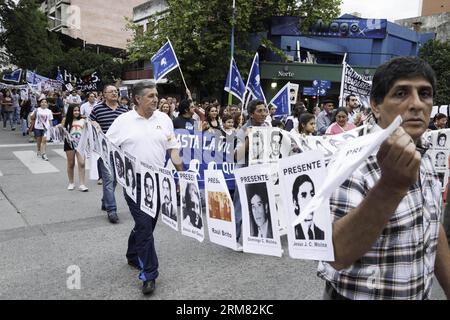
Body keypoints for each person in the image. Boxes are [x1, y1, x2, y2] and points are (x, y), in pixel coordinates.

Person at [318, 56, 450, 300]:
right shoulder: (350, 161)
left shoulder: (426, 153)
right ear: (376, 105)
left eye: (425, 94)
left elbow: (433, 224)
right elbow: (335, 254)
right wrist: (390, 187)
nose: (417, 104)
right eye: (401, 93)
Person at [106, 80, 182, 295]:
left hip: (159, 181)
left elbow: (173, 148)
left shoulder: (164, 119)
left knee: (146, 225)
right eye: (150, 96)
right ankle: (149, 274)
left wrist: (181, 173)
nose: (155, 99)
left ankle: (132, 254)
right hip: (134, 183)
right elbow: (107, 147)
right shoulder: (123, 121)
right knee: (145, 227)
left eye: (156, 95)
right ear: (137, 99)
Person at [90, 85, 128, 223]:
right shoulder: (98, 108)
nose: (114, 93)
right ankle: (111, 210)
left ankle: (105, 200)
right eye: (111, 91)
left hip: (120, 151)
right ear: (104, 94)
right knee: (108, 178)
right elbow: (88, 122)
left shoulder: (124, 110)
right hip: (104, 150)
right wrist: (93, 123)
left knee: (115, 179)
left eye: (116, 91)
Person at [234, 100, 270, 247]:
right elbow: (237, 155)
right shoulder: (243, 130)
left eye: (265, 111)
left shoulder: (267, 127)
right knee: (240, 206)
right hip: (244, 171)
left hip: (262, 172)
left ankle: (264, 239)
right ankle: (235, 239)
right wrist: (249, 139)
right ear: (251, 114)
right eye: (260, 111)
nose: (263, 114)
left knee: (263, 204)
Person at [61, 104, 88, 191]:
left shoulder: (83, 120)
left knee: (82, 163)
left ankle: (82, 184)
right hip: (69, 143)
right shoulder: (66, 120)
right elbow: (62, 131)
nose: (76, 112)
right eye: (74, 110)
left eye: (78, 110)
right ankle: (71, 182)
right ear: (71, 111)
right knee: (71, 163)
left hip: (81, 143)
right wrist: (59, 128)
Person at [292, 174, 324, 240]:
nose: (310, 200)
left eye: (312, 194)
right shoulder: (293, 235)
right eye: (304, 195)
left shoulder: (322, 234)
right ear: (295, 203)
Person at [29, 96, 53, 161]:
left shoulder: (49, 111)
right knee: (39, 141)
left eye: (45, 102)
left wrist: (51, 129)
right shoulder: (37, 110)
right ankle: (39, 150)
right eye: (42, 102)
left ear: (47, 104)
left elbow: (50, 120)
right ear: (40, 103)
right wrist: (35, 112)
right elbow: (31, 117)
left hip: (46, 128)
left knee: (44, 141)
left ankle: (44, 154)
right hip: (38, 127)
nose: (44, 103)